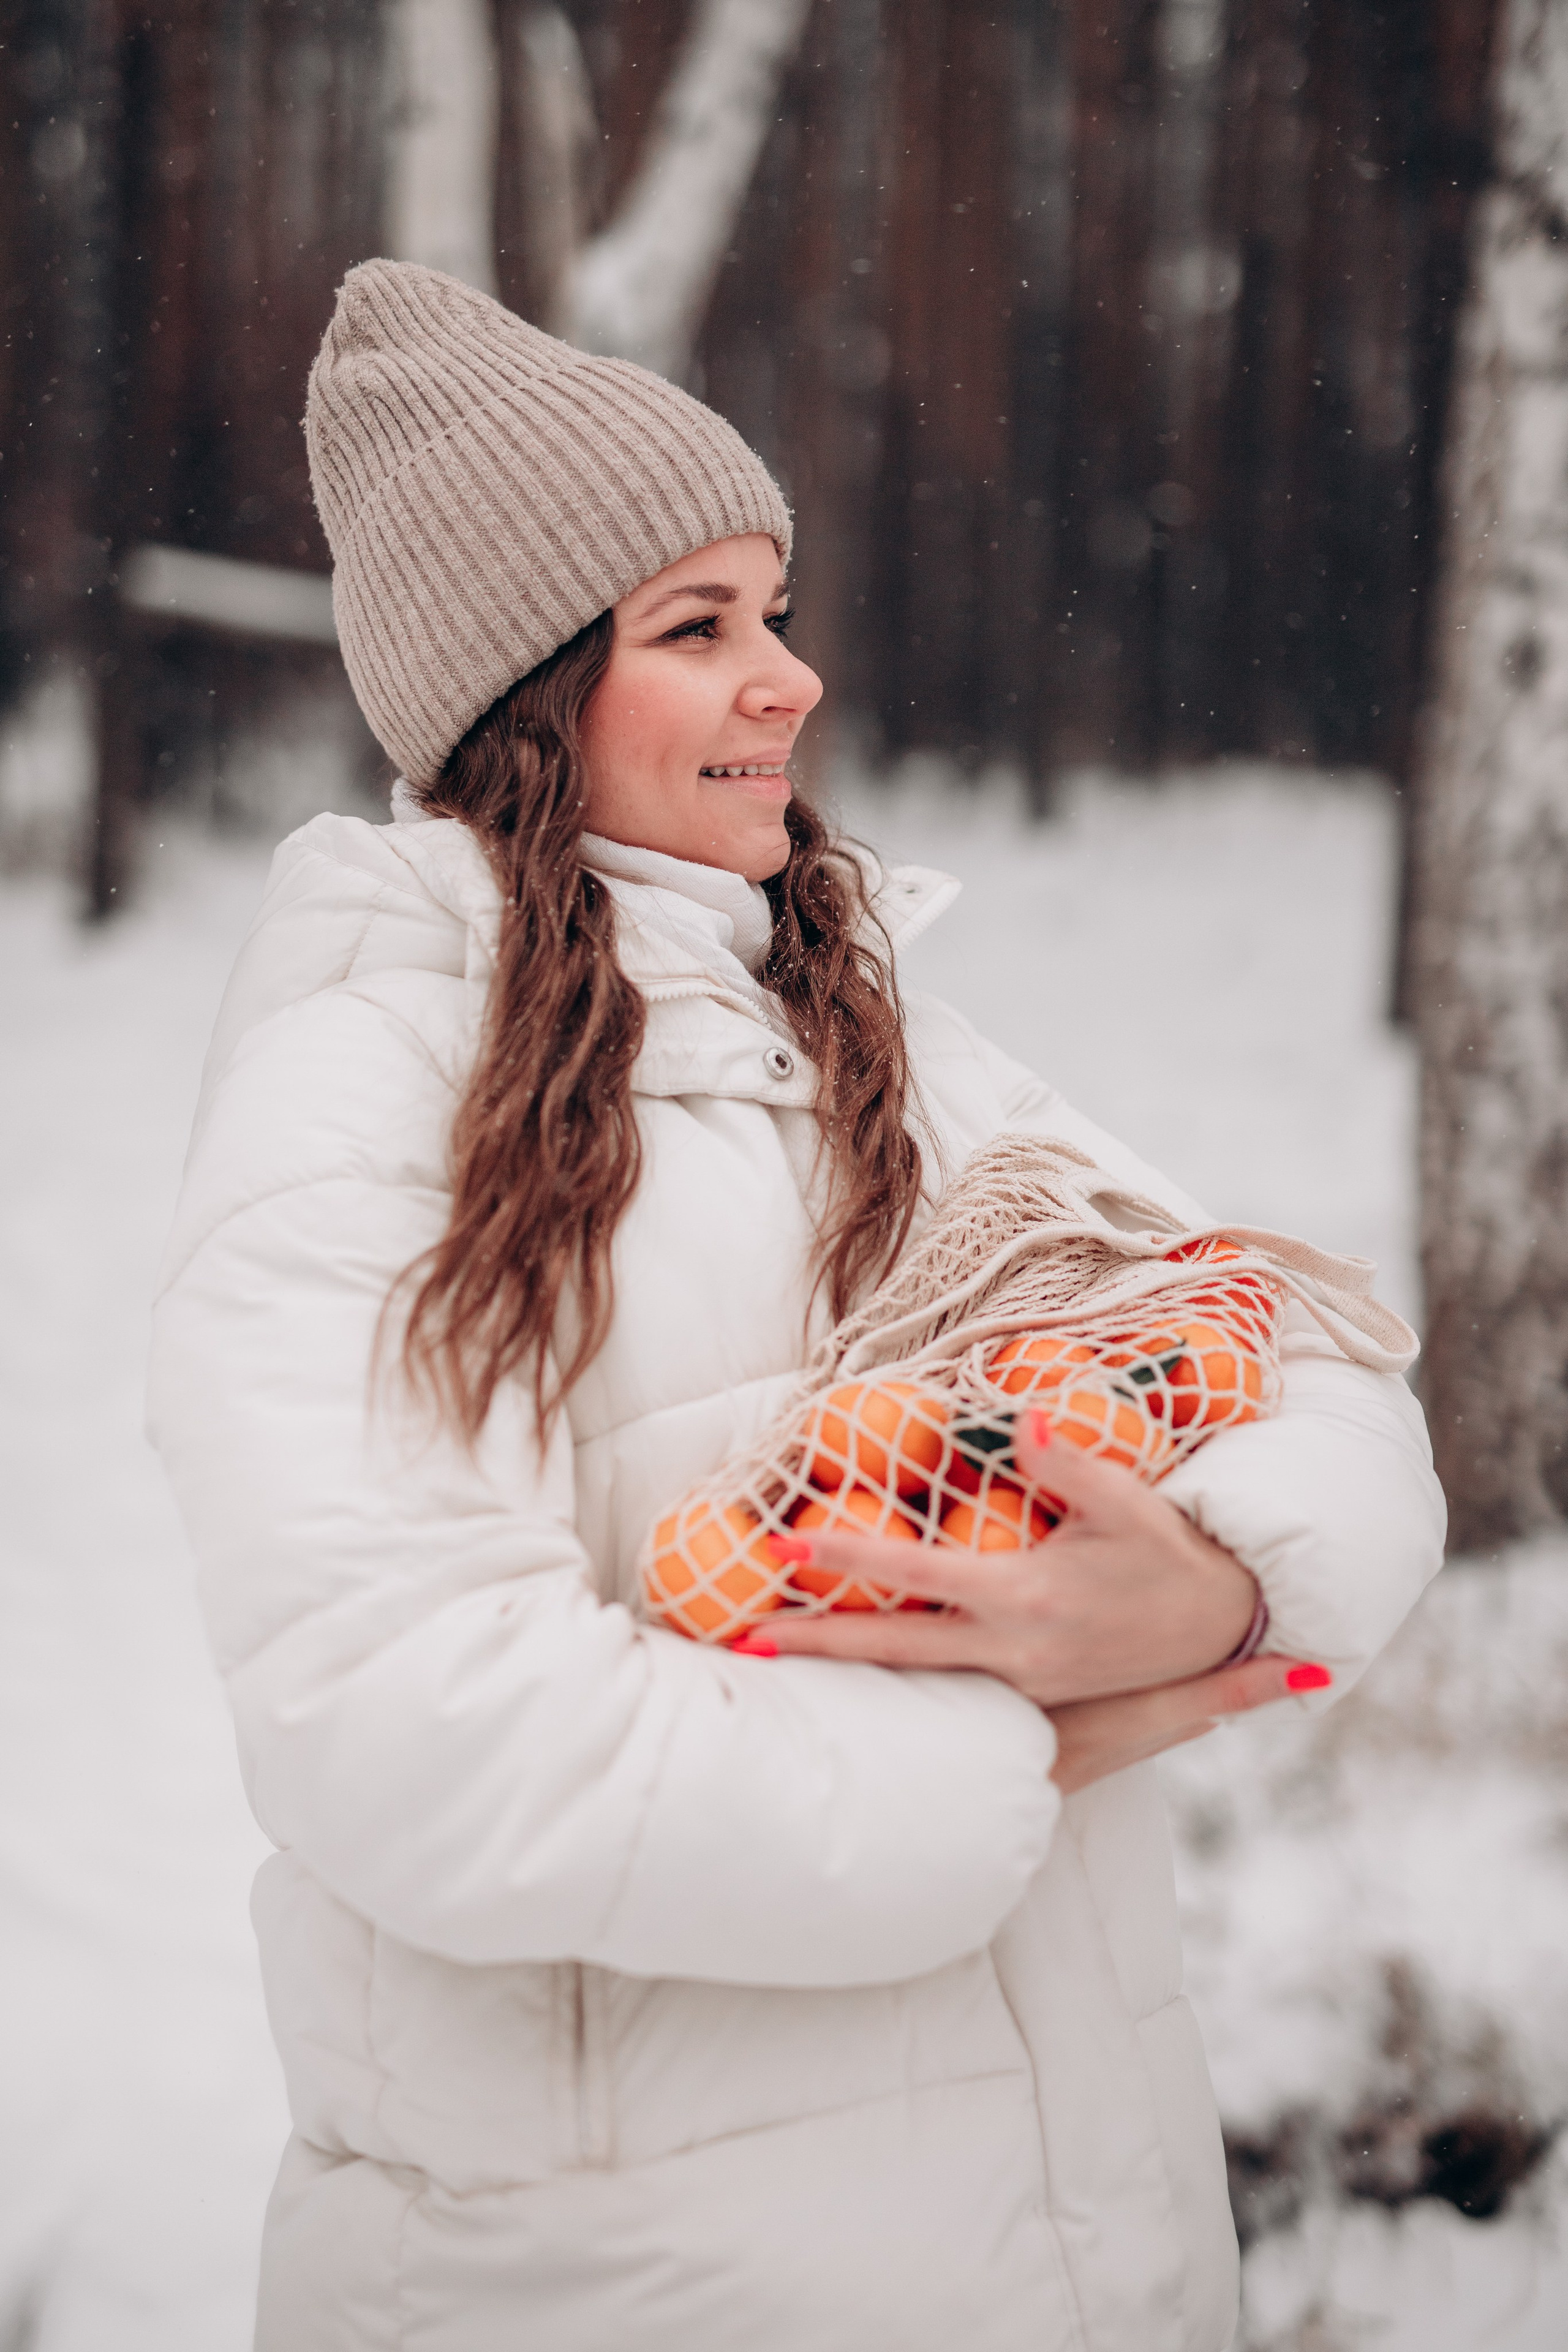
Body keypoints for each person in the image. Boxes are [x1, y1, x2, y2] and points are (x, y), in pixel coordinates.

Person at [148, 260, 1445, 2352]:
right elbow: (408, 1725)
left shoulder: (864, 1031)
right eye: (700, 629)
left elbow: (1288, 1342)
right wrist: (1012, 1731)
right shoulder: (368, 1087)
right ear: (522, 693)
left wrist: (1214, 1596)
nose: (793, 680)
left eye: (775, 607)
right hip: (618, 2293)